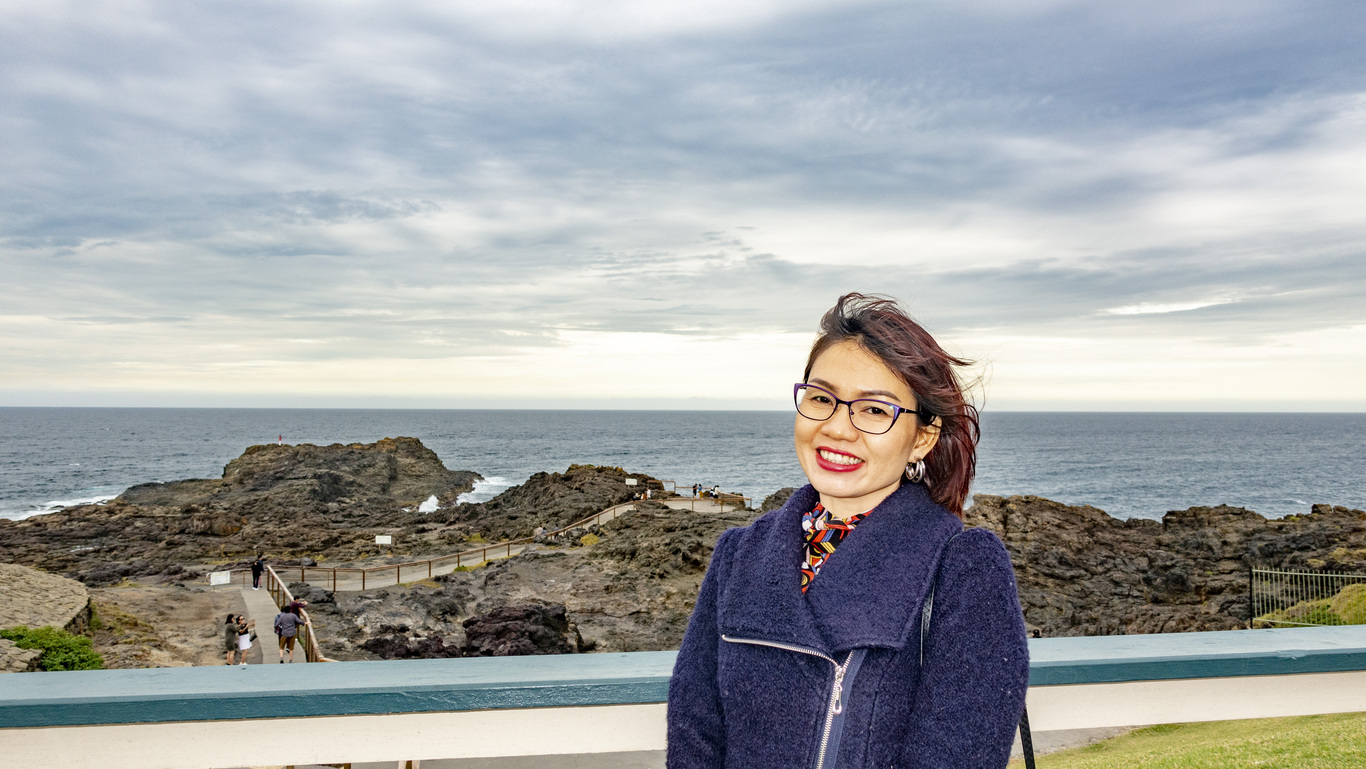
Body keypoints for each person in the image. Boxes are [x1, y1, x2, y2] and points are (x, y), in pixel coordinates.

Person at [667, 293, 1029, 768]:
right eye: (821, 399)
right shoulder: (740, 555)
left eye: (875, 410)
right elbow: (694, 732)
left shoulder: (961, 568)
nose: (838, 428)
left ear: (922, 438)